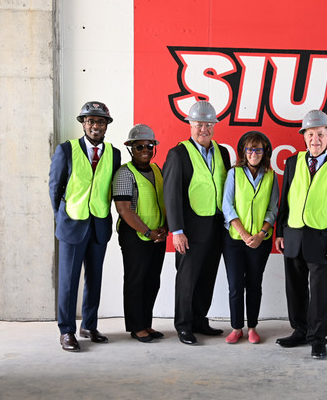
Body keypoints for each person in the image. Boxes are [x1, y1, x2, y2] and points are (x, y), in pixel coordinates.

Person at [275, 109, 327, 359]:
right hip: (294, 237)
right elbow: (285, 201)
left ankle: (318, 339)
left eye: (320, 134)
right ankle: (300, 330)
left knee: (320, 294)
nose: (315, 139)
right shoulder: (292, 162)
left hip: (323, 241)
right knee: (295, 289)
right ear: (304, 136)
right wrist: (280, 232)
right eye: (310, 134)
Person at [49, 101, 121, 352]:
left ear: (106, 126)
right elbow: (55, 188)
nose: (95, 126)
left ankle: (89, 325)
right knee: (69, 282)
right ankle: (66, 331)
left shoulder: (114, 153)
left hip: (99, 224)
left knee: (94, 278)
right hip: (72, 224)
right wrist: (61, 219)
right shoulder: (66, 150)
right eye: (90, 121)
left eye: (100, 121)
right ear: (83, 123)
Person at [162, 100, 231, 345]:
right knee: (187, 279)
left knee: (207, 277)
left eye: (209, 123)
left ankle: (200, 319)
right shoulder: (178, 153)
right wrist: (177, 231)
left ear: (214, 125)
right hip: (190, 230)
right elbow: (171, 195)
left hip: (216, 228)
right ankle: (183, 325)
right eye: (199, 124)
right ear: (190, 125)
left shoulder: (222, 152)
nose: (204, 128)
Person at [221, 131, 279, 344]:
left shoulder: (271, 176)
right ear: (244, 152)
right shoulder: (234, 174)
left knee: (254, 284)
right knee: (236, 285)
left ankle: (252, 327)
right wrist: (245, 234)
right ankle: (236, 328)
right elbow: (227, 206)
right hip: (234, 240)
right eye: (250, 149)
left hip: (260, 241)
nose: (254, 153)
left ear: (265, 152)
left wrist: (261, 234)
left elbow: (273, 209)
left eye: (258, 149)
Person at [113, 124, 168, 343]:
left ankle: (146, 323)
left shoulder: (157, 170)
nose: (145, 149)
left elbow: (163, 201)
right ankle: (136, 327)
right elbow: (124, 209)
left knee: (152, 280)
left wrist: (164, 228)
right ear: (130, 148)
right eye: (139, 146)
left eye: (149, 145)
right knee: (136, 280)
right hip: (135, 236)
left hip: (157, 236)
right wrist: (147, 232)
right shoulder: (125, 173)